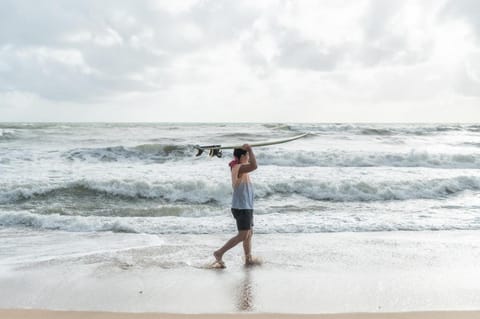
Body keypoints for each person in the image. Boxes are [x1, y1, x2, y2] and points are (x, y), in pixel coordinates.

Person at [213, 144, 258, 267]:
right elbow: (254, 166)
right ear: (243, 156)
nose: (249, 157)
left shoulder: (239, 166)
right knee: (243, 235)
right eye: (247, 155)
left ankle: (248, 259)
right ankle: (219, 253)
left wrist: (248, 150)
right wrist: (250, 149)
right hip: (241, 207)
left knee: (249, 234)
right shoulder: (238, 167)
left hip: (246, 206)